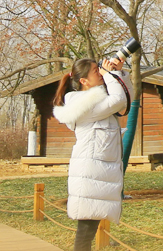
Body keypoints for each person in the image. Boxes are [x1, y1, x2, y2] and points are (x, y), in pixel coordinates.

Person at [53, 56, 133, 251]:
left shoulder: (95, 99)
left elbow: (125, 100)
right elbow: (118, 100)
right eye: (96, 71)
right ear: (84, 81)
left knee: (88, 228)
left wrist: (119, 73)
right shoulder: (85, 103)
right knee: (85, 231)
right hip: (91, 172)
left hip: (97, 172)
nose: (100, 72)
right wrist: (111, 75)